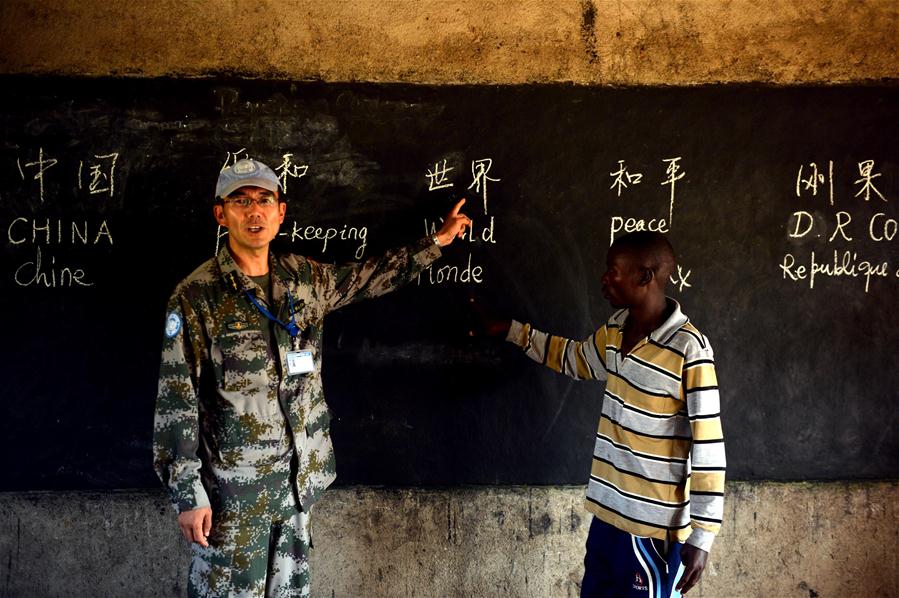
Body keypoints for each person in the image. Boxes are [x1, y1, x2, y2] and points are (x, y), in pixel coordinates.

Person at [153, 158, 471, 597]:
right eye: (241, 202)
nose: (254, 212)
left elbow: (368, 278)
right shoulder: (196, 296)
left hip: (297, 485)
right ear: (220, 213)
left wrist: (436, 241)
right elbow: (177, 396)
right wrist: (188, 493)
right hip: (231, 493)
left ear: (281, 211)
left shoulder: (305, 280)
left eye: (264, 200)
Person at [490, 231, 725, 597]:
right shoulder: (616, 330)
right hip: (607, 518)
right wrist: (512, 332)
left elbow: (709, 446)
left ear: (644, 277)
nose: (604, 278)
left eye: (613, 271)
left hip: (652, 530)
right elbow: (575, 358)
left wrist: (703, 536)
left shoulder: (689, 349)